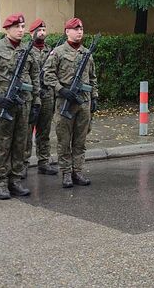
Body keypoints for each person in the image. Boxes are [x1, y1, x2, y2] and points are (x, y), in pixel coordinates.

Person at [0, 13, 40, 200]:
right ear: (7, 29)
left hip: (23, 104)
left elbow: (35, 77)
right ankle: (1, 183)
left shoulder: (28, 50)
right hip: (3, 105)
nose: (21, 30)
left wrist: (36, 102)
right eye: (17, 27)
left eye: (22, 27)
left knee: (20, 143)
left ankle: (15, 180)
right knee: (2, 144)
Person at [44, 17, 99, 187]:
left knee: (80, 141)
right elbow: (48, 75)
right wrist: (61, 90)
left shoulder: (86, 54)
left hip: (83, 103)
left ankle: (78, 171)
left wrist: (95, 97)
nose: (79, 32)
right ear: (67, 31)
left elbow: (92, 78)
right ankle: (66, 173)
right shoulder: (58, 52)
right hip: (65, 103)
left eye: (81, 28)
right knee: (64, 141)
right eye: (75, 29)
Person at [24, 18, 58, 175]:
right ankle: (23, 163)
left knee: (44, 129)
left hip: (47, 95)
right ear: (32, 33)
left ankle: (43, 161)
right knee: (26, 130)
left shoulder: (51, 51)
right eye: (39, 30)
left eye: (44, 30)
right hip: (31, 96)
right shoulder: (25, 50)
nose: (42, 33)